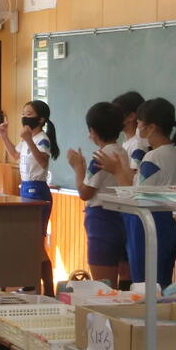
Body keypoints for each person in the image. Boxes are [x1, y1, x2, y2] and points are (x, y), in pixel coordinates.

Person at [94, 97, 176, 289]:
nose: (137, 129)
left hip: (148, 225)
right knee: (160, 285)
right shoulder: (173, 153)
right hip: (165, 222)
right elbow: (140, 183)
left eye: (140, 124)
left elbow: (135, 194)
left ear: (151, 127)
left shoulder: (153, 156)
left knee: (145, 286)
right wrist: (122, 167)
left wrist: (116, 170)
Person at [0, 100, 60, 296]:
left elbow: (42, 162)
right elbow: (15, 155)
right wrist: (4, 136)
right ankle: (30, 283)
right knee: (27, 241)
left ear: (41, 119)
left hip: (37, 190)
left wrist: (29, 140)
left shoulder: (42, 139)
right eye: (23, 113)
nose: (24, 117)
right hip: (25, 188)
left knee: (36, 243)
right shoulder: (27, 139)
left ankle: (48, 290)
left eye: (29, 114)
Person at [67, 102, 130, 287]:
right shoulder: (123, 151)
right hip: (124, 218)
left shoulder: (100, 157)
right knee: (125, 283)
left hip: (102, 221)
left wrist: (78, 168)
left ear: (93, 131)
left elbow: (85, 192)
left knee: (104, 286)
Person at [112, 91, 148, 176]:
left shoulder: (138, 144)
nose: (112, 120)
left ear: (131, 116)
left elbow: (134, 178)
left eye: (115, 115)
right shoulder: (129, 142)